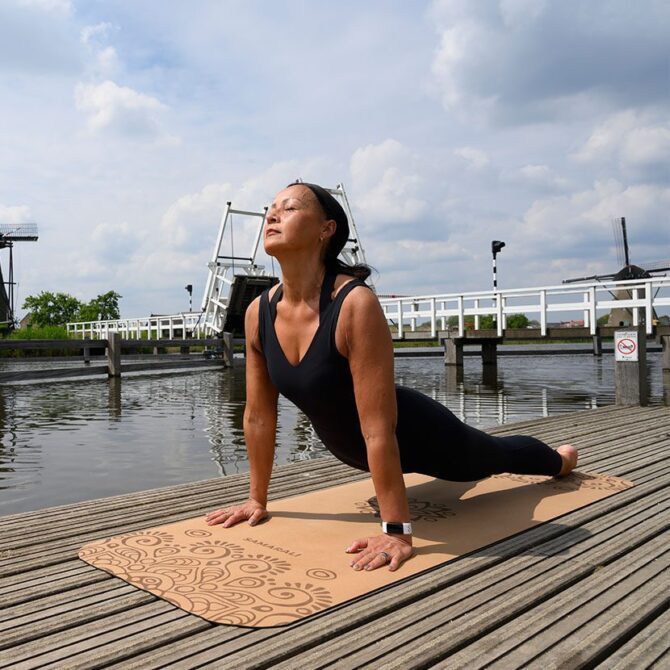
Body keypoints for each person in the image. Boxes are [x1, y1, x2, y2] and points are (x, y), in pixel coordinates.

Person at [205, 182, 578, 573]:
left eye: (290, 208)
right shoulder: (257, 313)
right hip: (353, 450)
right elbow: (258, 417)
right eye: (271, 209)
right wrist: (256, 500)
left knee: (492, 456)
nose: (272, 215)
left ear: (326, 229)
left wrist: (397, 531)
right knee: (484, 458)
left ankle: (560, 461)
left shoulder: (354, 304)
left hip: (419, 434)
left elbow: (378, 428)